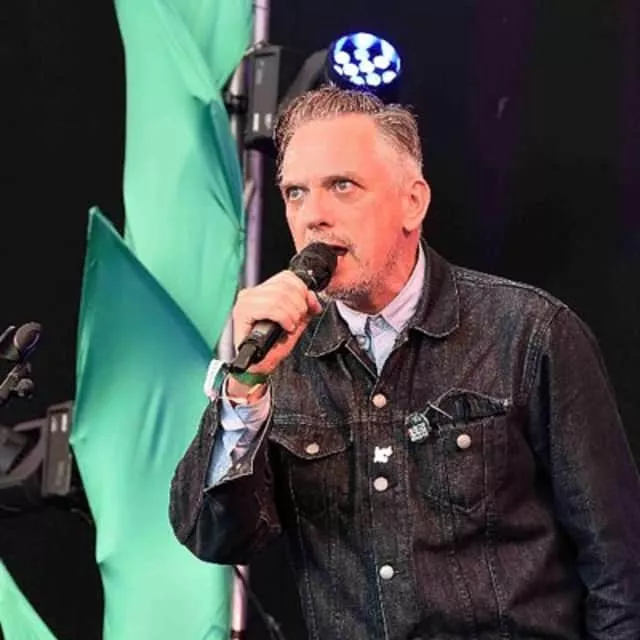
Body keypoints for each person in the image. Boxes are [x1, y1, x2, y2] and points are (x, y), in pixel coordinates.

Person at [169, 86, 640, 639]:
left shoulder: (530, 332)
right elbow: (212, 536)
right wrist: (246, 384)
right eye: (296, 193)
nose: (313, 216)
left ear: (412, 202)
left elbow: (619, 566)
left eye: (341, 186)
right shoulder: (282, 357)